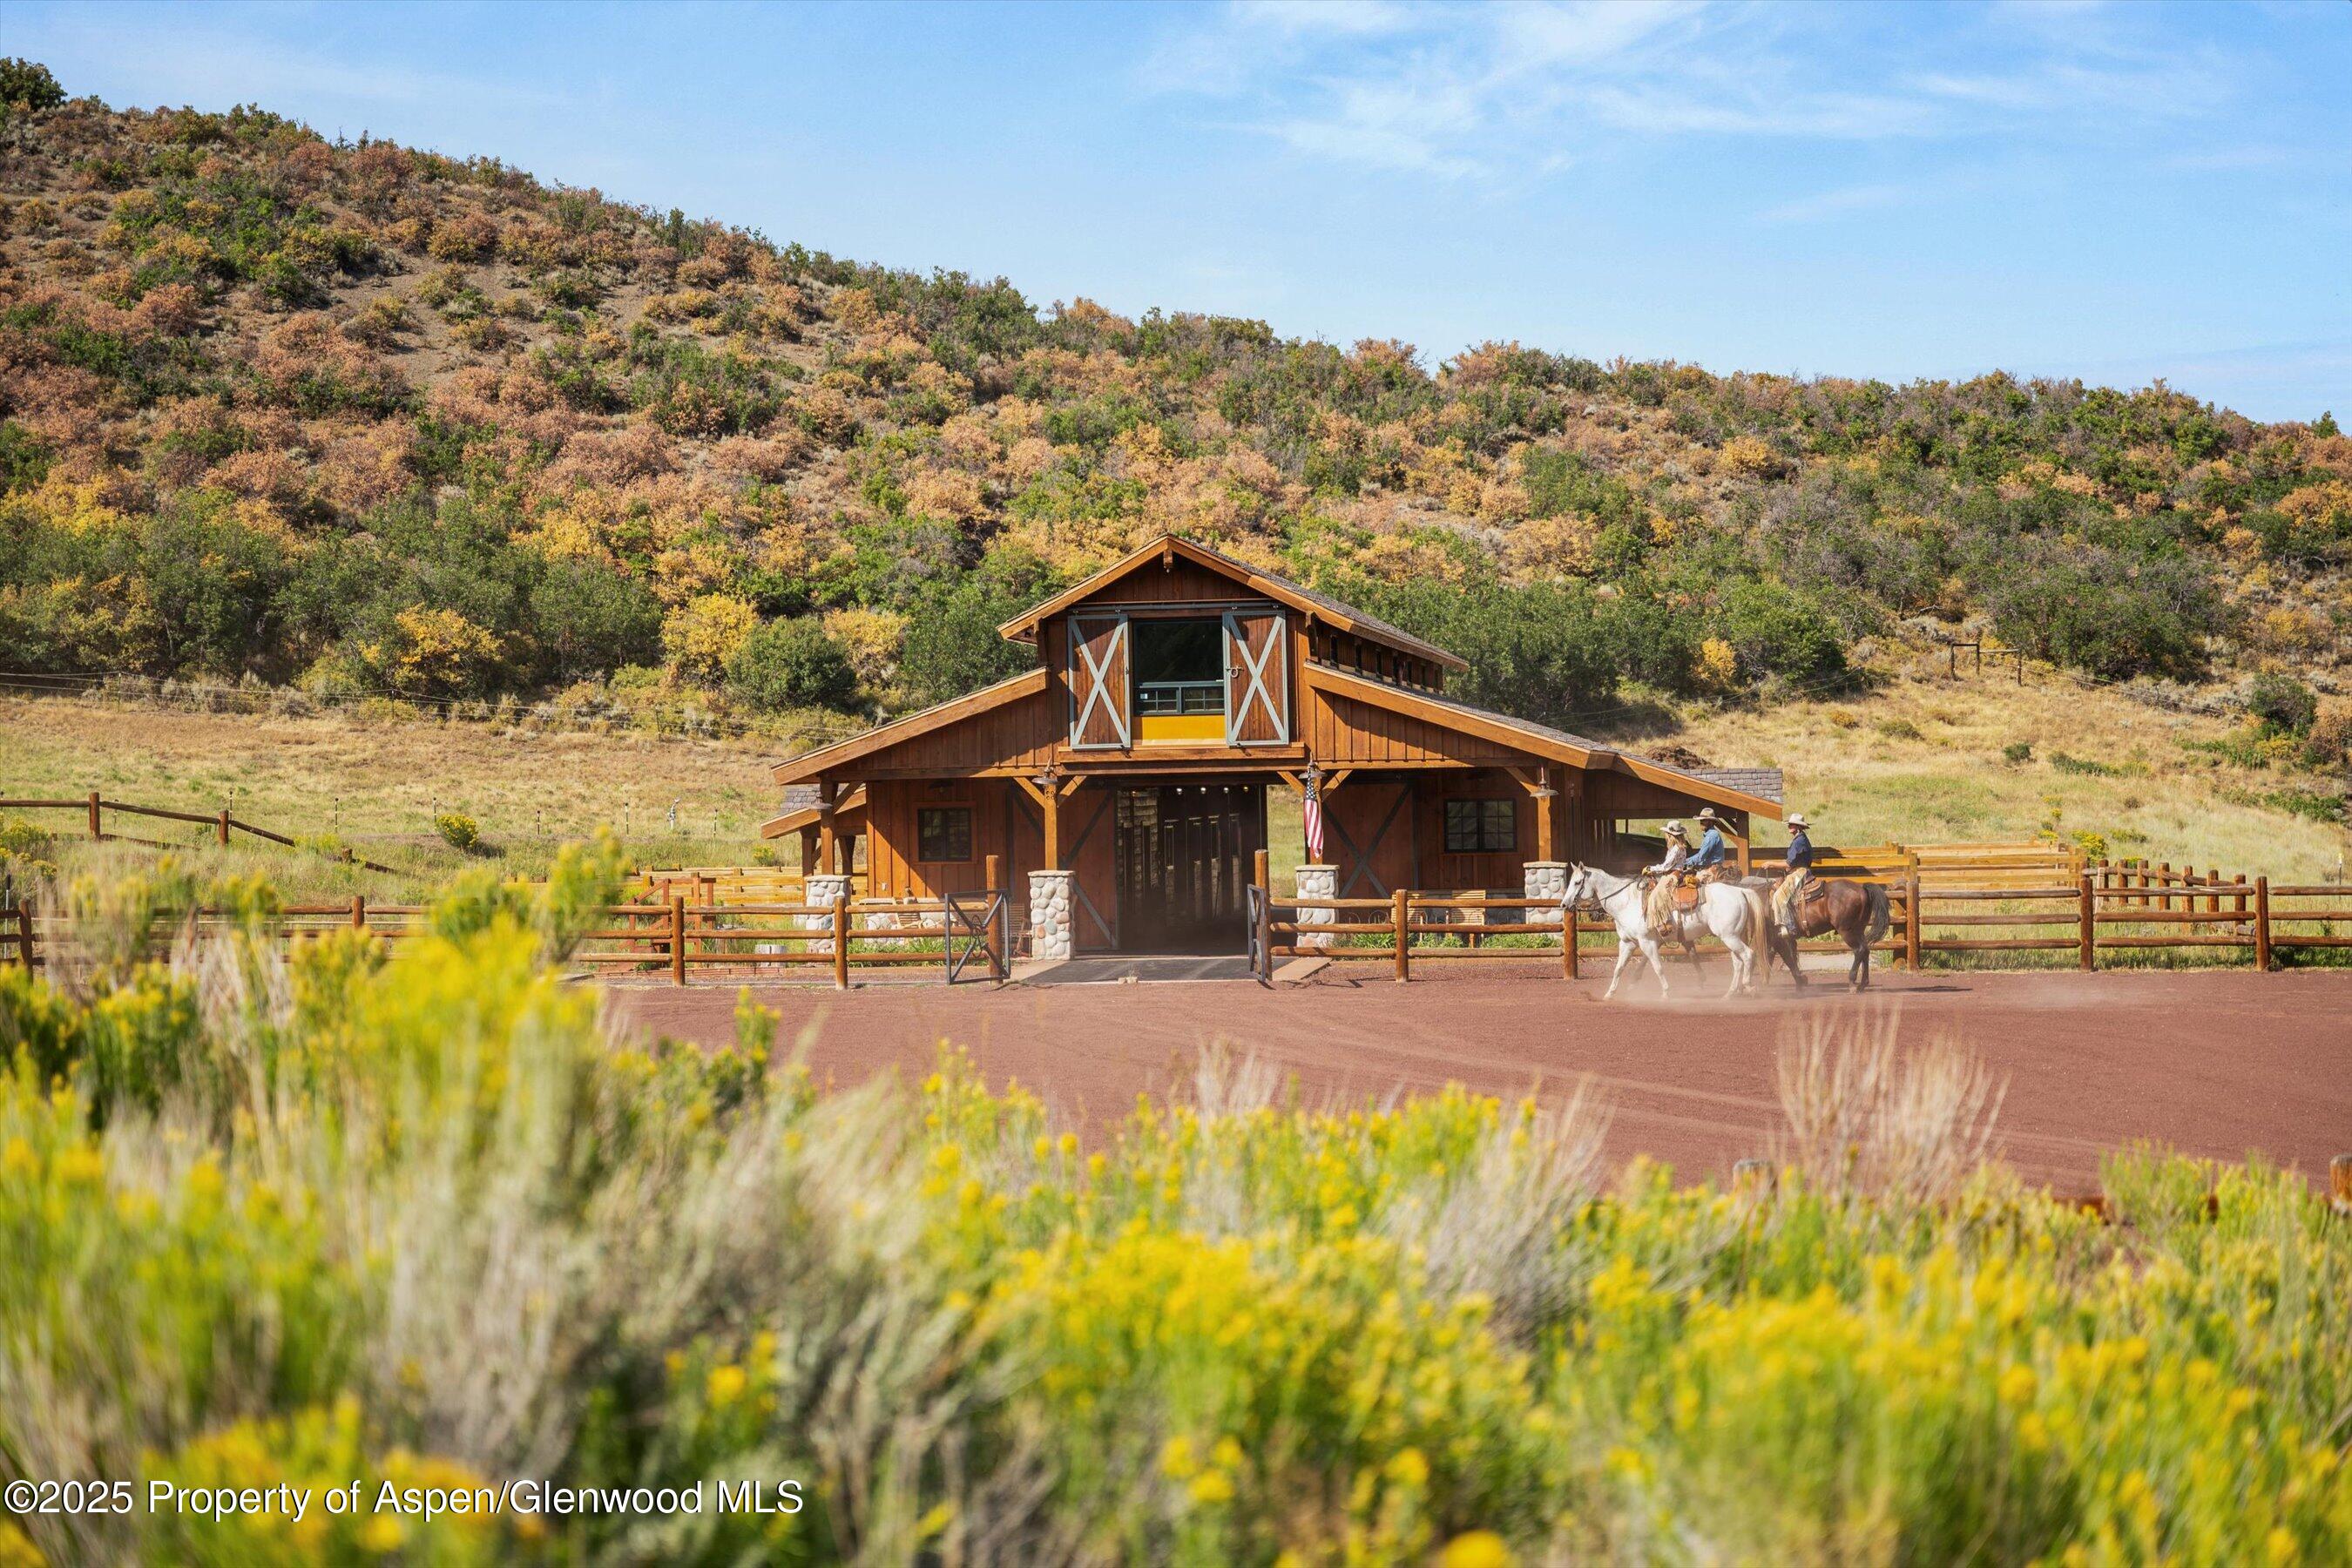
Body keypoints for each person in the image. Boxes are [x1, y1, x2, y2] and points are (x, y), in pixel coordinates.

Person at [1642, 821, 1692, 931]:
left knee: (1656, 895)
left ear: (1670, 835)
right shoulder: (1677, 847)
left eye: (1667, 834)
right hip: (1674, 874)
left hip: (1672, 876)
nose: (1665, 836)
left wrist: (1650, 868)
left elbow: (1665, 867)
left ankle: (1665, 922)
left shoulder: (1676, 849)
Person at [1774, 812, 1815, 934]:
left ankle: (1790, 926)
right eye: (1790, 824)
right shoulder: (1801, 839)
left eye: (1792, 825)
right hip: (1799, 871)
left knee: (1778, 896)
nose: (1789, 826)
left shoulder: (1799, 842)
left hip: (1799, 873)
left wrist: (1770, 864)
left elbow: (1788, 864)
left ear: (1799, 827)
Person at [1687, 807, 1729, 882]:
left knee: (1691, 882)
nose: (1701, 822)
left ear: (1711, 822)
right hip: (1712, 867)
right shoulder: (1712, 834)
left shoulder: (1711, 836)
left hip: (1713, 870)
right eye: (1701, 820)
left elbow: (1701, 856)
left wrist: (1685, 862)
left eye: (1704, 820)